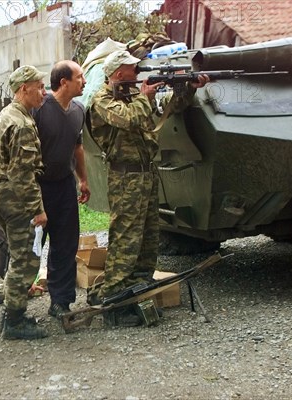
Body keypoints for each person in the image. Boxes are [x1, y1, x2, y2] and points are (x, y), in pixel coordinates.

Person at [88, 50, 209, 326]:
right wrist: (145, 96)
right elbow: (128, 119)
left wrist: (188, 88)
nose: (137, 71)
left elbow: (171, 107)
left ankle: (140, 287)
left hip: (146, 174)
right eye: (132, 68)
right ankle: (115, 303)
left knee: (148, 235)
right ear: (119, 73)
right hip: (125, 177)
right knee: (126, 238)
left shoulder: (133, 96)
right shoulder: (103, 100)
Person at [0, 65, 49, 340]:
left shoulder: (4, 115)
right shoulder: (21, 123)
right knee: (25, 259)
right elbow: (23, 174)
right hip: (19, 198)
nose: (44, 92)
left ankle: (11, 314)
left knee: (17, 255)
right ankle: (14, 320)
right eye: (39, 87)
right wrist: (38, 210)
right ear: (24, 89)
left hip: (3, 192)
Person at [32, 60, 91, 318]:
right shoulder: (39, 109)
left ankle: (61, 301)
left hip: (65, 185)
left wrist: (83, 179)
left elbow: (78, 147)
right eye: (79, 77)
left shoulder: (79, 109)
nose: (84, 81)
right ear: (63, 82)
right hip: (38, 187)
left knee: (65, 245)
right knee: (31, 245)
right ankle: (17, 303)